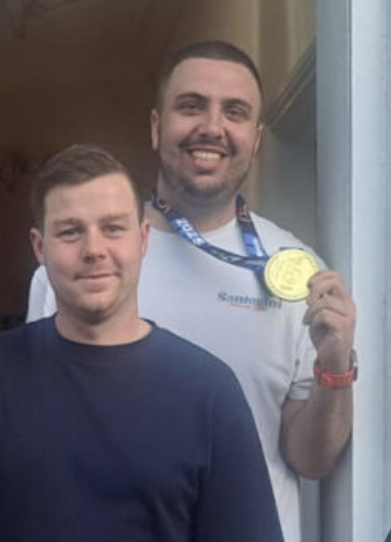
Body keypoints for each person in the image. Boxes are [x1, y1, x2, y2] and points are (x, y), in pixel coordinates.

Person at [26, 42, 357, 542]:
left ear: (256, 139)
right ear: (157, 127)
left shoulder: (299, 272)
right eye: (191, 106)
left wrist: (335, 367)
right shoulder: (76, 267)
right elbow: (44, 427)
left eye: (235, 112)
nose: (212, 127)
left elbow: (310, 461)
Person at [0, 145, 284, 542]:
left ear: (142, 239)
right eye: (70, 232)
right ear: (40, 247)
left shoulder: (210, 391)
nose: (94, 250)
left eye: (113, 228)